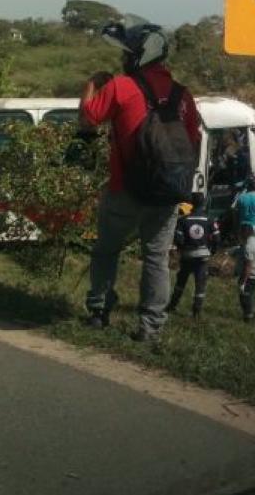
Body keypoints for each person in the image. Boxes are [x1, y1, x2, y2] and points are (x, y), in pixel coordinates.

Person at [79, 22, 202, 342]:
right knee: (156, 258)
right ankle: (150, 328)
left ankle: (99, 311)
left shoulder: (120, 86)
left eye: (126, 54)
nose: (123, 59)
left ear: (138, 57)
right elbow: (193, 141)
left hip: (124, 189)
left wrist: (93, 83)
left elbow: (89, 118)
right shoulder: (182, 95)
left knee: (106, 250)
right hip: (167, 193)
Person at [168, 194, 217, 319]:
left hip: (187, 256)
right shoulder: (210, 219)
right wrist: (212, 250)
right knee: (200, 284)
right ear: (204, 203)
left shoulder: (183, 220)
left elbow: (178, 238)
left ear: (191, 203)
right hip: (203, 256)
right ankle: (196, 312)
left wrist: (182, 249)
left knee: (181, 282)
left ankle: (172, 305)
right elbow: (217, 237)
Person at [232, 176, 255, 323]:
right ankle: (251, 268)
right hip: (254, 229)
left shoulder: (242, 198)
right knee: (252, 251)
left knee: (245, 252)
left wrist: (236, 229)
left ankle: (243, 270)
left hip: (242, 228)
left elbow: (234, 213)